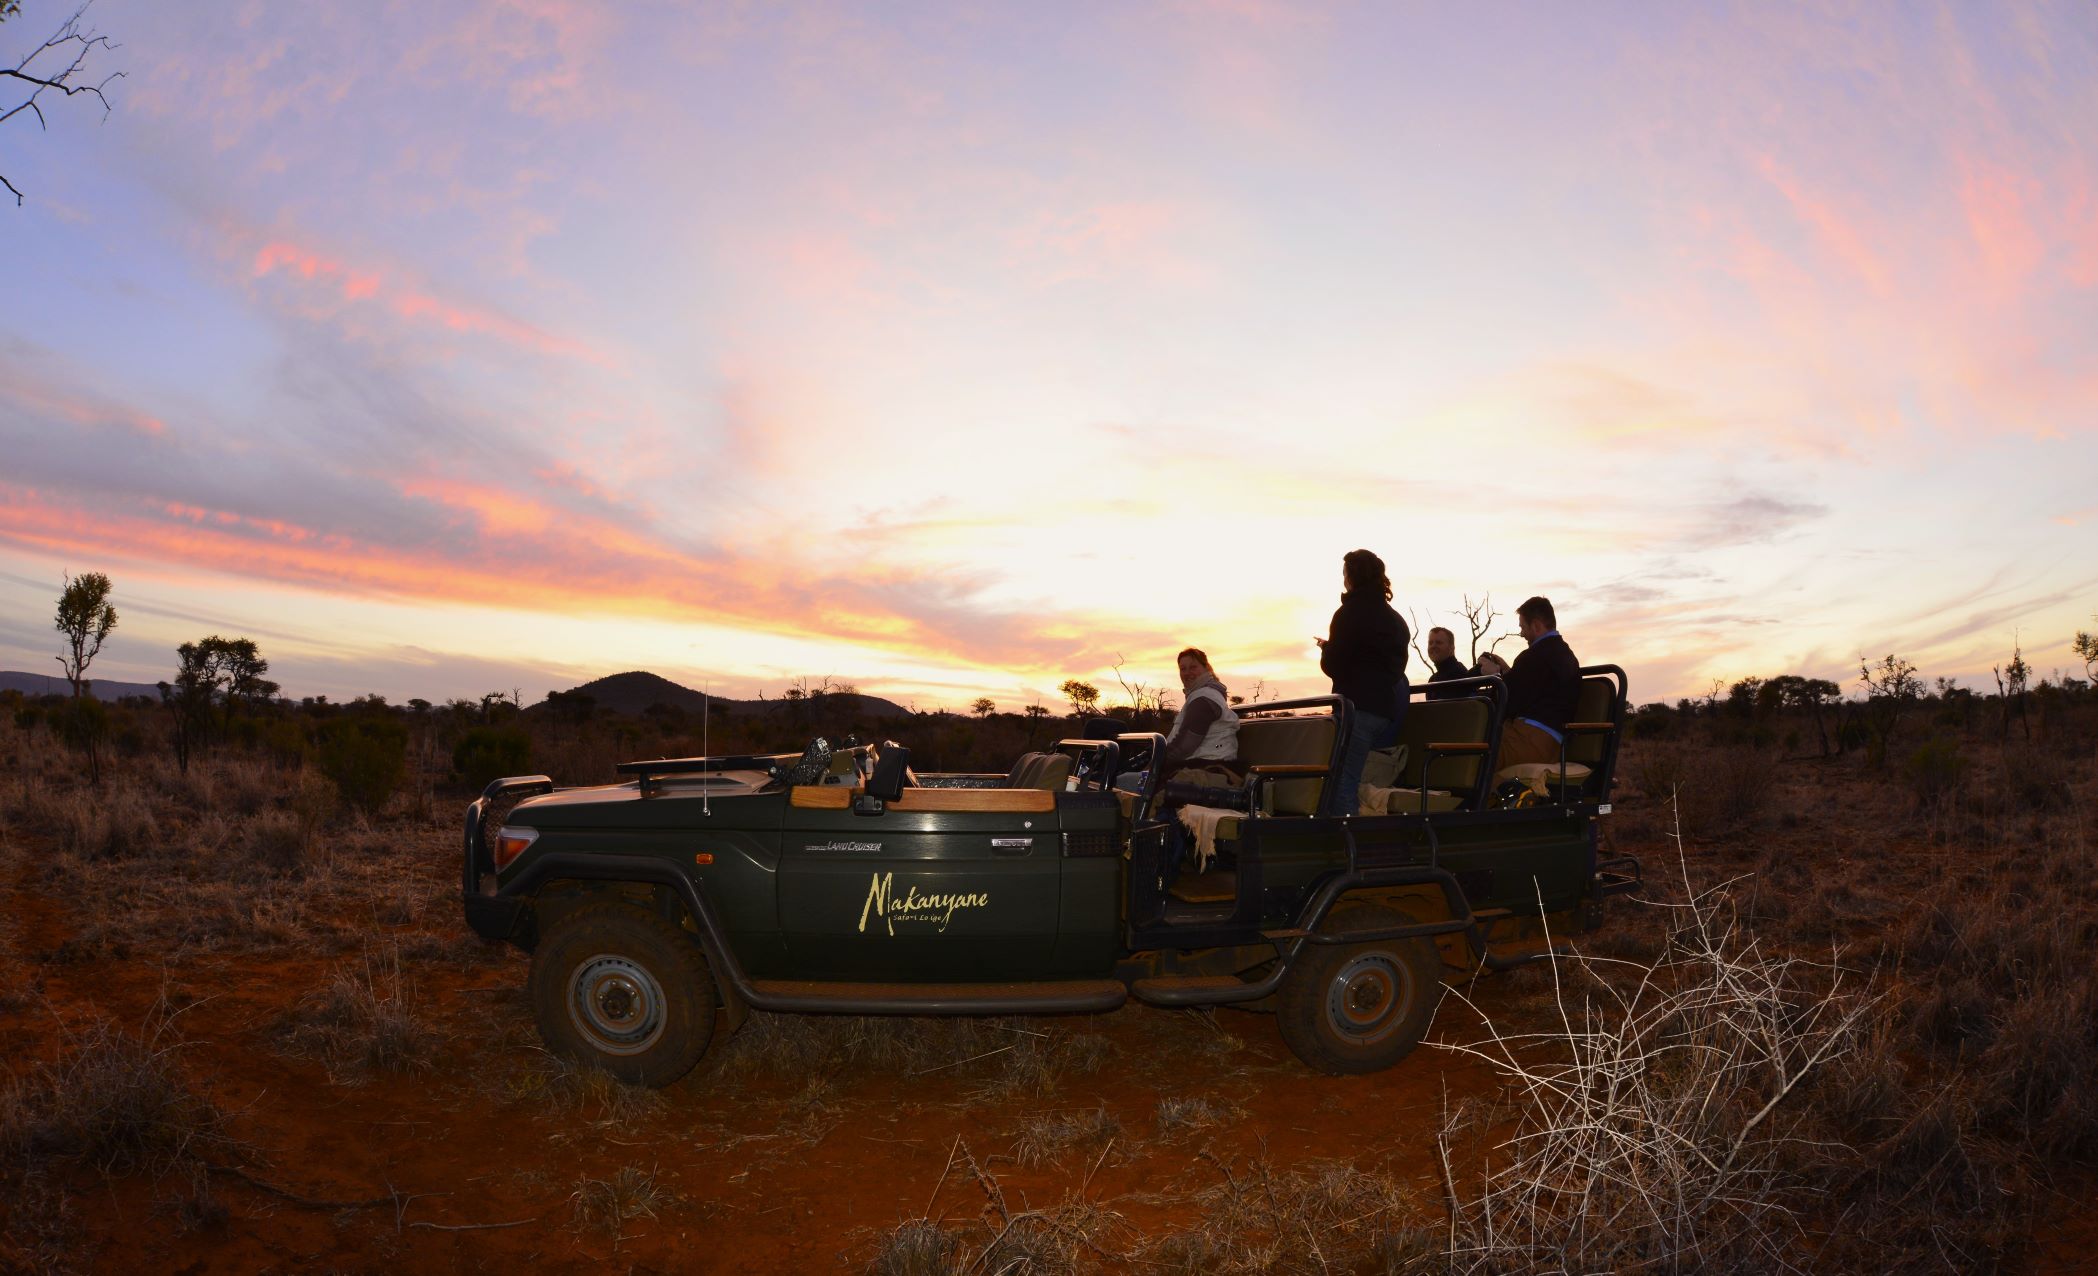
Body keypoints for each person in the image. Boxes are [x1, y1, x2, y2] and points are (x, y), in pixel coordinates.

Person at [1316, 549, 1408, 816]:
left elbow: (1334, 666)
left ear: (1352, 577)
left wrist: (1327, 650)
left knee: (1342, 782)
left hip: (1356, 711)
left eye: (1345, 574)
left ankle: (1349, 845)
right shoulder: (1396, 620)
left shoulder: (1347, 614)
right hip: (1384, 711)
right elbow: (1395, 669)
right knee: (1349, 779)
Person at [1118, 648, 1243, 794]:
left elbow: (1185, 746)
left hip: (1207, 769)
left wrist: (1152, 766)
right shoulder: (1201, 695)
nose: (1187, 673)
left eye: (1193, 667)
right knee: (1125, 776)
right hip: (1194, 766)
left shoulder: (1204, 699)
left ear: (1206, 668)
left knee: (1119, 782)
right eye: (1183, 669)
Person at [1494, 596, 1581, 769]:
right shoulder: (1562, 653)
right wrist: (1507, 672)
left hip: (1530, 740)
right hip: (1551, 742)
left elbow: (1506, 703)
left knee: (1473, 756)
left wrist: (1493, 676)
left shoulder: (1534, 656)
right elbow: (1532, 689)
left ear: (1536, 625)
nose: (1521, 634)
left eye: (1523, 627)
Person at [1425, 626, 1473, 701]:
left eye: (1439, 643)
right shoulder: (1432, 680)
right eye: (1430, 643)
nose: (1433, 646)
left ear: (1451, 648)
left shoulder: (1458, 674)